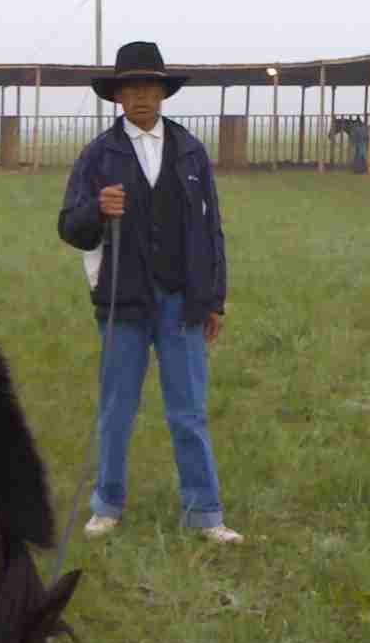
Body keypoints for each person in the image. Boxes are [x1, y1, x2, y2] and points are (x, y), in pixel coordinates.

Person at [57, 40, 241, 544]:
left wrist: (214, 299)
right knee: (117, 406)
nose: (141, 96)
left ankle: (205, 512)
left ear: (163, 93)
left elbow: (212, 232)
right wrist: (97, 208)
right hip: (124, 301)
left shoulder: (190, 152)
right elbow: (70, 227)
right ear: (118, 96)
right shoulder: (98, 156)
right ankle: (107, 503)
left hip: (182, 303)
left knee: (189, 409)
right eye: (131, 87)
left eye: (150, 87)